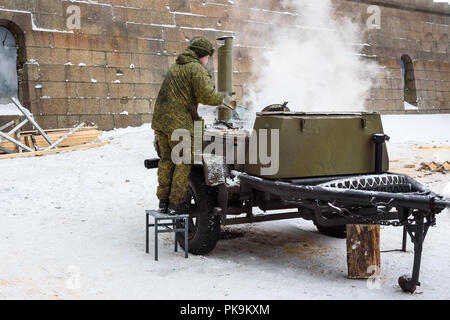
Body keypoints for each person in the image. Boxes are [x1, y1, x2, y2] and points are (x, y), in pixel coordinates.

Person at [151, 37, 224, 214]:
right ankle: (177, 204)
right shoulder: (196, 68)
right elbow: (207, 96)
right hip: (179, 124)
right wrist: (222, 98)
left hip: (161, 122)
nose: (207, 60)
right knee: (183, 162)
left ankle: (164, 201)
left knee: (167, 160)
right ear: (201, 55)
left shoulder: (176, 66)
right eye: (207, 56)